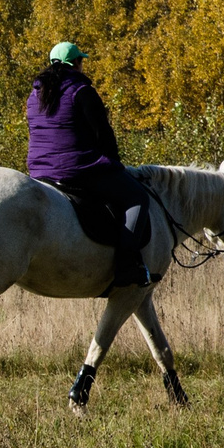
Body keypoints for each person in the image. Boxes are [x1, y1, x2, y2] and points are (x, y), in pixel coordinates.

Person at [25, 39, 154, 291]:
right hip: (78, 169)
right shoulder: (81, 91)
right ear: (75, 63)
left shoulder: (35, 93)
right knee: (137, 198)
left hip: (40, 171)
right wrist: (115, 164)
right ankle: (127, 266)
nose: (82, 66)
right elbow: (103, 135)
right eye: (81, 61)